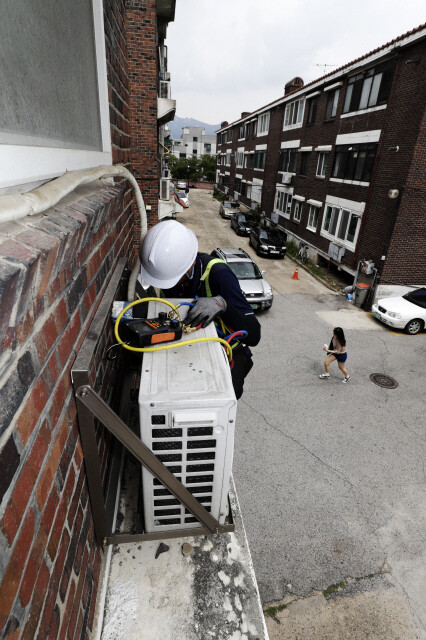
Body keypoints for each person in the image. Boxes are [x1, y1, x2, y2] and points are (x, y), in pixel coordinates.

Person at [139, 220, 261, 398]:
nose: (170, 284)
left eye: (174, 278)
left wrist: (222, 305)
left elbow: (254, 335)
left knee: (223, 395)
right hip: (189, 342)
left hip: (226, 348)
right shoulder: (170, 271)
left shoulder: (219, 275)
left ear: (190, 263)